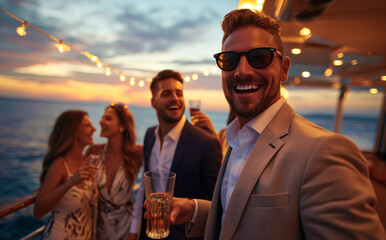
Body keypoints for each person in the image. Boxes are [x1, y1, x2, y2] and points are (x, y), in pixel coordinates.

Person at [161, 9, 386, 239]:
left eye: (259, 57)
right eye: (230, 60)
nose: (242, 71)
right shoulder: (237, 139)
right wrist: (197, 210)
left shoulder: (323, 153)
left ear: (284, 69)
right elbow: (248, 215)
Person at [127, 69, 222, 240]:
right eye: (166, 93)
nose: (175, 99)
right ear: (153, 102)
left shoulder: (206, 143)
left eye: (179, 93)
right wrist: (134, 229)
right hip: (148, 232)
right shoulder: (149, 135)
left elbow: (219, 203)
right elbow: (144, 185)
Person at [34, 110, 98, 239]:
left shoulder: (86, 160)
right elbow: (38, 211)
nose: (94, 129)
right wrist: (70, 182)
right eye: (88, 125)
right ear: (74, 131)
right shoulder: (59, 165)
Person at [86, 103, 142, 240]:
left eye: (108, 118)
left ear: (122, 126)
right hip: (96, 230)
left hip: (126, 231)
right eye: (102, 117)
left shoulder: (137, 153)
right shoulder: (93, 152)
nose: (100, 121)